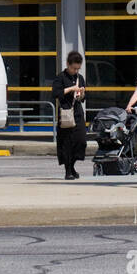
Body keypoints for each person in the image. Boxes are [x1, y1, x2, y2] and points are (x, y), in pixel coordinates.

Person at [51, 50, 87, 179]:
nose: (75, 71)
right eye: (73, 68)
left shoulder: (79, 78)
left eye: (78, 68)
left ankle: (72, 165)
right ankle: (68, 170)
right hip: (65, 112)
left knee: (81, 140)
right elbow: (55, 93)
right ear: (68, 64)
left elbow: (83, 98)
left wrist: (81, 93)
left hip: (77, 112)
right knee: (66, 142)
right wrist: (71, 89)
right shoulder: (60, 77)